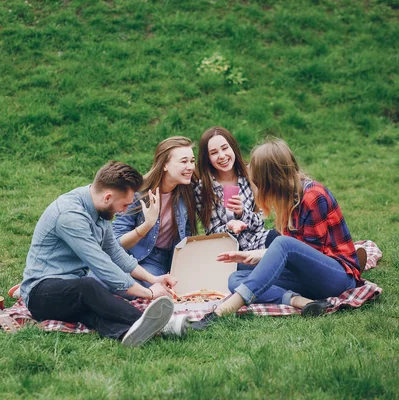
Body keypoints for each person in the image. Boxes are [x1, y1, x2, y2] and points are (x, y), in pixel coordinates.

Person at [193, 138, 362, 326]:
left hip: (337, 278)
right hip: (308, 280)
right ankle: (301, 301)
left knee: (281, 243)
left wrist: (264, 256)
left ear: (270, 179)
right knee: (236, 277)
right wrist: (251, 256)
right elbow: (295, 253)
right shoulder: (288, 199)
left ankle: (222, 311)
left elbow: (308, 252)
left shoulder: (313, 196)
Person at [19, 161, 187, 346]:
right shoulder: (70, 216)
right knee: (89, 287)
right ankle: (162, 324)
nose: (124, 211)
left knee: (94, 311)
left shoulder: (99, 209)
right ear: (108, 197)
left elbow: (115, 253)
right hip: (40, 295)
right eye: (124, 205)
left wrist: (154, 279)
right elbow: (102, 265)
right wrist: (148, 293)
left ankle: (127, 334)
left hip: (69, 292)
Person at [112, 137, 198, 283]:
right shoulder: (138, 193)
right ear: (164, 165)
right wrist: (147, 225)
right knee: (97, 280)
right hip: (127, 255)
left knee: (139, 284)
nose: (190, 167)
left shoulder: (188, 193)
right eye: (184, 161)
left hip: (157, 260)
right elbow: (116, 242)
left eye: (192, 161)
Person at [195, 127, 277, 266]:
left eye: (225, 148)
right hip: (229, 254)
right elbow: (212, 232)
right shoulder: (203, 189)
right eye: (214, 153)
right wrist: (230, 226)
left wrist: (242, 213)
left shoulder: (251, 176)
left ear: (233, 148)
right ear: (207, 159)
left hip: (258, 242)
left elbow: (260, 222)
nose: (221, 156)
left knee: (285, 238)